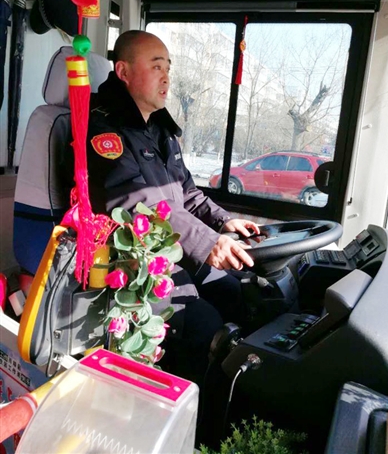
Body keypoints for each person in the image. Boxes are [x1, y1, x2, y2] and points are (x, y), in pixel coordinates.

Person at [71, 30, 260, 381]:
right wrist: (207, 243)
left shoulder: (159, 130)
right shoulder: (102, 130)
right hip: (134, 259)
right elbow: (134, 202)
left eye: (168, 68)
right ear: (124, 72)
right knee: (204, 326)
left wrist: (224, 223)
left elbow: (186, 192)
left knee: (240, 293)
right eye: (156, 66)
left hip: (174, 248)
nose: (166, 77)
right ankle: (188, 407)